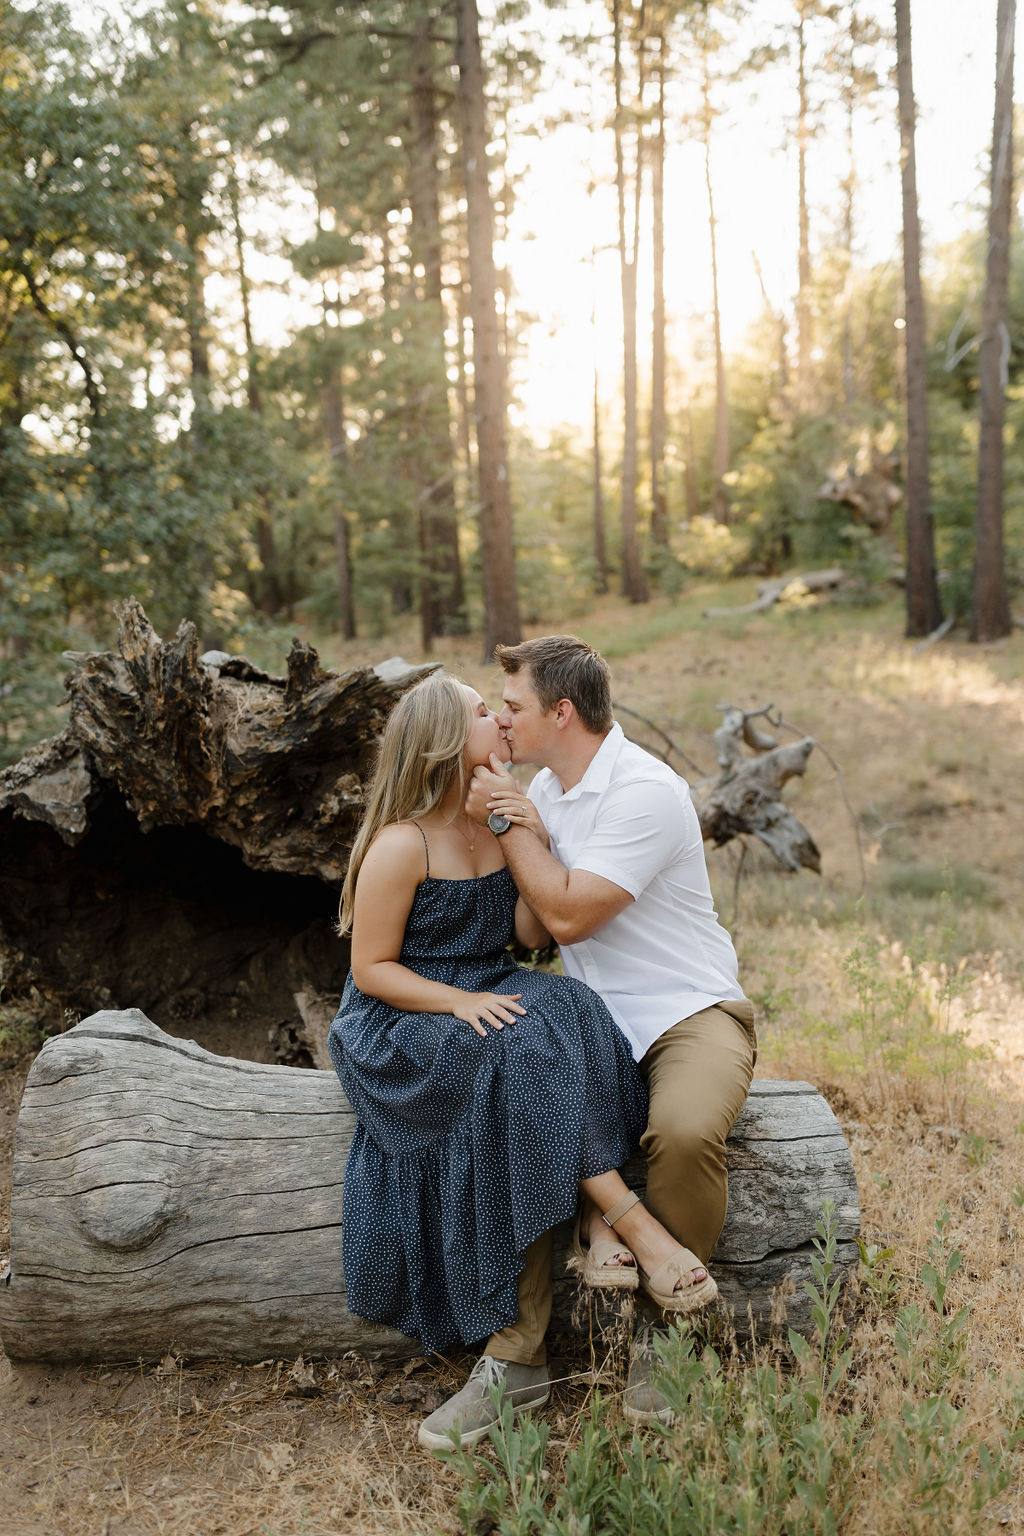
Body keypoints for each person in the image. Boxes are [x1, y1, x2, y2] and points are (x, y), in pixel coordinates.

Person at [327, 672, 694, 1452]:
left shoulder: (491, 818)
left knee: (579, 1013)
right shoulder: (403, 842)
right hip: (404, 1014)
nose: (499, 720)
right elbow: (371, 970)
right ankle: (623, 1218)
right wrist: (457, 1004)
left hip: (487, 984)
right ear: (442, 740)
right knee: (515, 1047)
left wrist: (530, 834)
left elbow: (530, 936)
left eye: (499, 708)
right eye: (480, 712)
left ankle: (602, 1225)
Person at [462, 634, 757, 1427]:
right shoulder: (549, 795)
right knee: (515, 1097)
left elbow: (566, 914)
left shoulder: (646, 791)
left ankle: (669, 1343)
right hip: (594, 1024)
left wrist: (514, 825)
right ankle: (514, 1360)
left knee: (685, 1130)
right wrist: (519, 829)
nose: (505, 722)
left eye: (515, 706)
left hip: (686, 1011)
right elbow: (532, 931)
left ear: (562, 711)